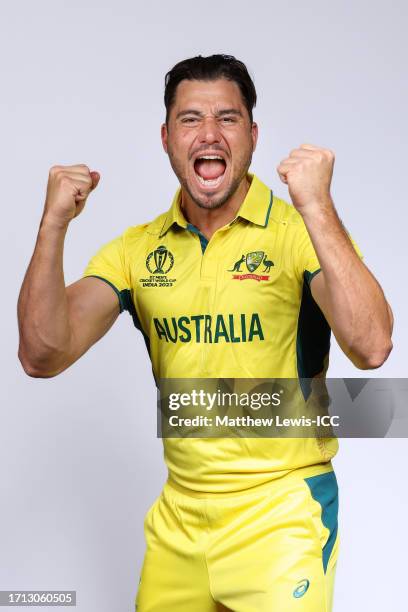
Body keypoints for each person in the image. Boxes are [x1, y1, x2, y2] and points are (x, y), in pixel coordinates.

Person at [17, 54, 393, 611]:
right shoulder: (136, 250)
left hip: (281, 514)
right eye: (191, 119)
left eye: (228, 118)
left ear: (253, 135)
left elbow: (372, 345)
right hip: (180, 520)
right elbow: (42, 354)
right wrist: (52, 226)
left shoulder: (296, 234)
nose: (210, 133)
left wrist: (316, 204)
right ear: (167, 138)